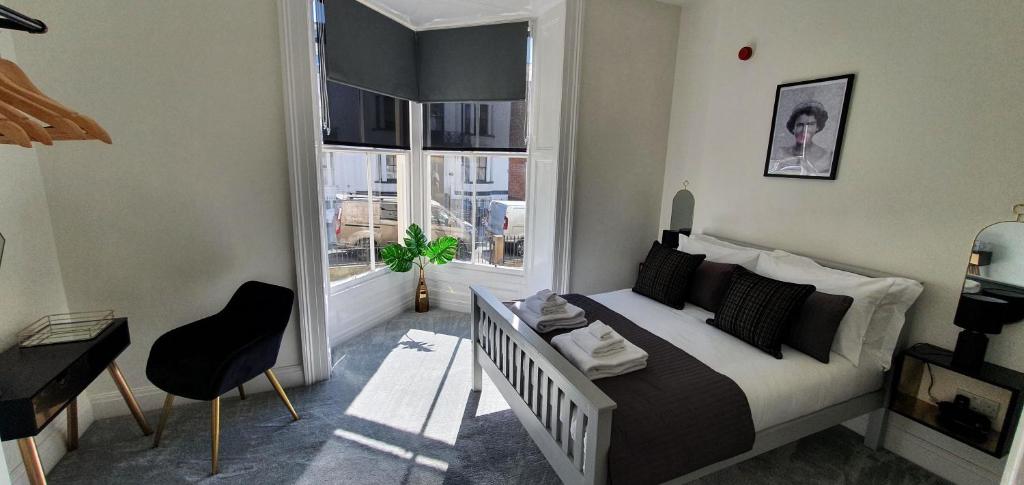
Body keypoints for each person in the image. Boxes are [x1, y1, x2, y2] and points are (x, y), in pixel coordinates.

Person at [769, 100, 834, 176]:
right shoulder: (780, 153)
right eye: (800, 125)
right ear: (793, 128)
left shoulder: (827, 156)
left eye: (810, 124)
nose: (804, 130)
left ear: (817, 127)